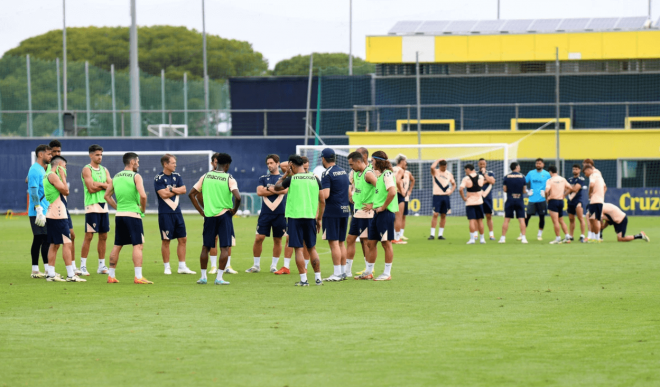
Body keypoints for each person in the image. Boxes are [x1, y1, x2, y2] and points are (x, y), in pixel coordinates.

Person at [189, 153, 241, 285]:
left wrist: (201, 211)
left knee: (205, 247)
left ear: (216, 163)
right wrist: (234, 210)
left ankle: (203, 277)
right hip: (224, 215)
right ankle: (219, 278)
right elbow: (238, 197)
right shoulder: (229, 178)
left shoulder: (205, 176)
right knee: (224, 247)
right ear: (227, 165)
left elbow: (191, 194)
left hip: (209, 216)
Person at [274, 155, 325, 286]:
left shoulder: (292, 179)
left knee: (298, 249)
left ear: (291, 164)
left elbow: (276, 187)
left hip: (295, 217)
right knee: (312, 248)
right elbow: (322, 200)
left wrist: (285, 174)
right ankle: (318, 279)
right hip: (310, 217)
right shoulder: (315, 178)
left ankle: (304, 280)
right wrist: (319, 219)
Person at [104, 152, 152, 284]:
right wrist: (142, 209)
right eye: (137, 161)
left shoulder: (115, 177)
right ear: (132, 162)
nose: (138, 163)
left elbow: (107, 196)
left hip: (120, 216)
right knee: (138, 245)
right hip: (133, 215)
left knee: (117, 244)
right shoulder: (136, 176)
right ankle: (138, 276)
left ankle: (111, 275)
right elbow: (143, 196)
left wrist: (118, 208)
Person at [356, 150, 398, 281]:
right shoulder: (379, 176)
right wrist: (374, 205)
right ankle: (369, 272)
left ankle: (387, 273)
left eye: (372, 161)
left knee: (386, 243)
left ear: (378, 161)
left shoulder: (387, 174)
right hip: (377, 213)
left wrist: (383, 207)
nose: (370, 163)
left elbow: (392, 192)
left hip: (385, 213)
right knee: (371, 242)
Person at [43, 156, 85, 282]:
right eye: (65, 166)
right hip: (59, 214)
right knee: (67, 243)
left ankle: (51, 274)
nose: (65, 169)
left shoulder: (47, 175)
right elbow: (66, 191)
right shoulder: (53, 175)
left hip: (52, 213)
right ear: (60, 164)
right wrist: (63, 176)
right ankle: (71, 275)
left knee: (54, 244)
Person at [155, 154, 195, 275]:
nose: (175, 165)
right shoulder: (159, 178)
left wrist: (171, 189)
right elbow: (163, 195)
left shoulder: (177, 176)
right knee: (166, 240)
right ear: (165, 164)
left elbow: (183, 190)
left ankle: (182, 266)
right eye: (173, 163)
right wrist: (175, 190)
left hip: (177, 212)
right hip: (165, 213)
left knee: (183, 238)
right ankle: (167, 267)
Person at [249, 154, 288, 274]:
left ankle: (274, 266)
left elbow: (285, 190)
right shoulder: (263, 177)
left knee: (278, 240)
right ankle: (256, 265)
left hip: (280, 213)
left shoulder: (284, 177)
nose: (269, 165)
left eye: (271, 163)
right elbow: (259, 192)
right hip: (265, 213)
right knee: (258, 238)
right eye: (268, 163)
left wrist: (269, 189)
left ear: (278, 163)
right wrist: (276, 189)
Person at [80, 144, 112, 276]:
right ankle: (82, 266)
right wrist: (104, 185)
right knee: (89, 236)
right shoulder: (86, 169)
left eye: (101, 155)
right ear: (91, 155)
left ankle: (101, 265)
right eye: (97, 155)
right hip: (92, 206)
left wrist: (98, 184)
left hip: (103, 206)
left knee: (104, 236)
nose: (100, 157)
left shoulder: (105, 170)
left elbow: (111, 186)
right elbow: (91, 188)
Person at [319, 148, 350, 282]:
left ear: (323, 159)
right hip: (344, 210)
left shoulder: (326, 173)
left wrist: (315, 191)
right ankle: (342, 272)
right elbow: (349, 193)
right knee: (341, 243)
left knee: (334, 243)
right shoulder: (344, 171)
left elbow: (325, 195)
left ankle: (337, 273)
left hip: (332, 211)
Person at [48, 140, 78, 274]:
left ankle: (66, 267)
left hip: (62, 207)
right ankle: (69, 272)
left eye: (58, 151)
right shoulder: (51, 171)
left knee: (69, 237)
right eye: (54, 151)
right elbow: (65, 191)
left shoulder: (58, 169)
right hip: (56, 210)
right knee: (61, 241)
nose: (56, 153)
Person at [204, 153, 237, 275]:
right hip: (220, 213)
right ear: (213, 162)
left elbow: (193, 193)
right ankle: (214, 267)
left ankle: (227, 265)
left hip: (218, 213)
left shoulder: (208, 177)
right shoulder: (211, 176)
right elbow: (238, 197)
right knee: (216, 241)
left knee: (227, 241)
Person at [347, 147, 375, 278]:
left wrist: (373, 204)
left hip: (366, 212)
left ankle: (369, 271)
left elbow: (381, 189)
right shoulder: (357, 173)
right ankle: (347, 271)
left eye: (352, 164)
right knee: (350, 239)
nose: (350, 167)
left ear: (359, 162)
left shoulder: (368, 173)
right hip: (357, 211)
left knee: (368, 242)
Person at [27, 145, 53, 279]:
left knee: (43, 239)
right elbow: (33, 191)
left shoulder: (45, 169)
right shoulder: (34, 170)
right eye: (49, 154)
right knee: (42, 238)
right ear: (41, 155)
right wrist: (38, 209)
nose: (51, 156)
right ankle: (42, 270)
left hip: (45, 210)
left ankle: (39, 269)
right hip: (37, 211)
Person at [499, 162, 528, 244]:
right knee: (522, 220)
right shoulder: (522, 177)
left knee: (506, 220)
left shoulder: (506, 177)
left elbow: (504, 189)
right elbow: (524, 190)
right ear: (517, 167)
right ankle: (523, 238)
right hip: (519, 200)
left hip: (510, 199)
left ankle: (503, 238)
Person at [524, 158, 551, 241]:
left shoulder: (547, 174)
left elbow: (551, 184)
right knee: (527, 217)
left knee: (542, 217)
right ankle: (522, 234)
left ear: (543, 165)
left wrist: (547, 193)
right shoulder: (531, 173)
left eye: (540, 163)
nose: (538, 165)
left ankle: (539, 234)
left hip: (542, 199)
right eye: (537, 163)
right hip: (532, 199)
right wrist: (527, 191)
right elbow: (523, 182)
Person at [429, 159, 455, 240]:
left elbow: (454, 184)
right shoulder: (435, 172)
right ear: (440, 166)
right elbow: (432, 167)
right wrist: (438, 160)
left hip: (445, 196)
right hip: (437, 196)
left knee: (443, 215)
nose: (444, 168)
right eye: (442, 167)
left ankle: (440, 235)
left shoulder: (449, 174)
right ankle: (432, 234)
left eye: (445, 167)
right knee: (435, 214)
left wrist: (451, 192)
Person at [459, 164, 486, 244]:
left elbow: (461, 189)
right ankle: (482, 239)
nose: (465, 171)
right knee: (480, 221)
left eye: (465, 170)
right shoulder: (481, 177)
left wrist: (463, 197)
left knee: (472, 220)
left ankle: (472, 239)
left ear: (468, 169)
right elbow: (481, 185)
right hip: (479, 201)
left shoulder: (466, 179)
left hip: (470, 202)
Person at [545, 166, 572, 244]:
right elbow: (570, 188)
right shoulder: (562, 179)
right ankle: (567, 236)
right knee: (561, 220)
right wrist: (564, 195)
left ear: (550, 172)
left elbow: (546, 191)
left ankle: (558, 238)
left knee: (555, 221)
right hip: (561, 201)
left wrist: (547, 198)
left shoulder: (550, 180)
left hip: (553, 201)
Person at [582, 159, 607, 242]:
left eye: (585, 172)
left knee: (594, 219)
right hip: (600, 200)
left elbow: (592, 184)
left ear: (589, 169)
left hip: (595, 200)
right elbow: (604, 187)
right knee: (593, 218)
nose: (585, 175)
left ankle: (596, 237)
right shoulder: (599, 175)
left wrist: (590, 194)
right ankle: (595, 237)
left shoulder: (593, 174)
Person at [566, 164, 587, 243]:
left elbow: (575, 189)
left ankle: (582, 235)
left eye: (576, 169)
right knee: (571, 219)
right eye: (573, 169)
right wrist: (570, 189)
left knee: (580, 218)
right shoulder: (569, 179)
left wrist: (569, 189)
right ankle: (571, 236)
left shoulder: (581, 179)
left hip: (578, 201)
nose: (574, 171)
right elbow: (566, 188)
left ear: (579, 170)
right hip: (570, 202)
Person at [477, 158, 497, 240]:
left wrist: (485, 175)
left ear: (486, 164)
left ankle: (491, 234)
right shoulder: (475, 174)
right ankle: (476, 234)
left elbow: (492, 181)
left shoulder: (490, 173)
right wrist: (486, 181)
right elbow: (477, 184)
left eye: (483, 164)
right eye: (481, 164)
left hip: (488, 197)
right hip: (478, 197)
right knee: (479, 217)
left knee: (489, 216)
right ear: (478, 164)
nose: (482, 165)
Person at [392, 154, 408, 245]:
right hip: (398, 194)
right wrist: (402, 190)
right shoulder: (401, 170)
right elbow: (397, 181)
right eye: (405, 161)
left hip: (390, 193)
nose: (406, 163)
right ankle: (397, 238)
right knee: (399, 217)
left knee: (392, 217)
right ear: (401, 161)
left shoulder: (391, 169)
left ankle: (391, 236)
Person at [401, 167, 415, 241]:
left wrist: (410, 191)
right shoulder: (395, 170)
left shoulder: (408, 173)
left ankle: (401, 234)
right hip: (397, 197)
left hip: (405, 197)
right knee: (396, 217)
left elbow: (413, 180)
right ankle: (394, 233)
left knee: (403, 216)